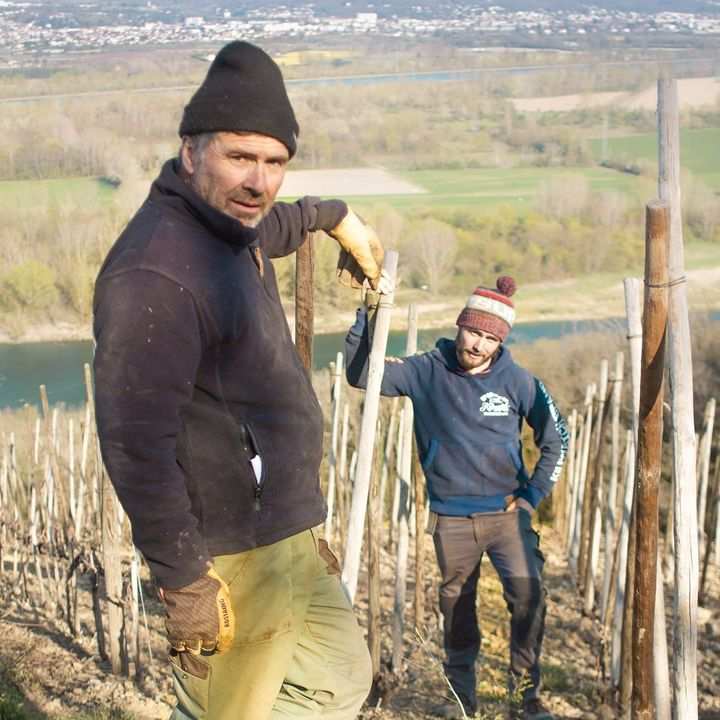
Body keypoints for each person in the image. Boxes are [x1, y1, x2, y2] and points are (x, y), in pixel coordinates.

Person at [93, 40, 388, 720]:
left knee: (336, 681)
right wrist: (183, 578)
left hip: (281, 528)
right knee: (229, 711)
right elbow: (135, 446)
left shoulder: (231, 226)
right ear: (191, 152)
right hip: (225, 546)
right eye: (240, 157)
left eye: (275, 162)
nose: (259, 181)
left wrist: (334, 216)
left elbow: (274, 224)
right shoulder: (154, 275)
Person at [345, 277, 568, 720]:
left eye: (490, 338)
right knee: (457, 607)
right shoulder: (425, 370)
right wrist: (366, 316)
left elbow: (556, 438)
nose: (479, 345)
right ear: (460, 325)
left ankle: (524, 699)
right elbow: (360, 374)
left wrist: (531, 496)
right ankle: (460, 698)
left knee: (528, 596)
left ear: (499, 341)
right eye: (474, 332)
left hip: (507, 515)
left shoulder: (519, 382)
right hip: (451, 519)